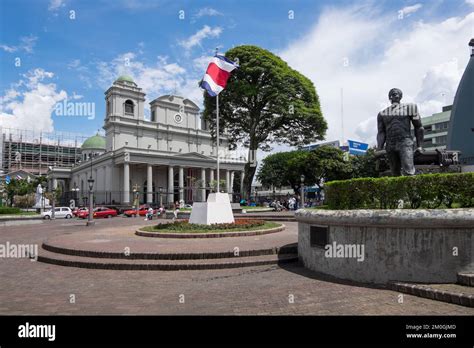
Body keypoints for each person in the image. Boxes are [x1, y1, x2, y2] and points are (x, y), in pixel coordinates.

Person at [377, 88, 424, 176]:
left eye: (395, 94)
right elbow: (381, 132)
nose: (393, 96)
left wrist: (420, 146)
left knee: (408, 170)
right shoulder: (382, 113)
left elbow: (419, 127)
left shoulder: (410, 108)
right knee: (395, 173)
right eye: (390, 95)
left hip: (405, 142)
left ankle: (411, 189)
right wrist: (379, 148)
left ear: (400, 96)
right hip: (390, 144)